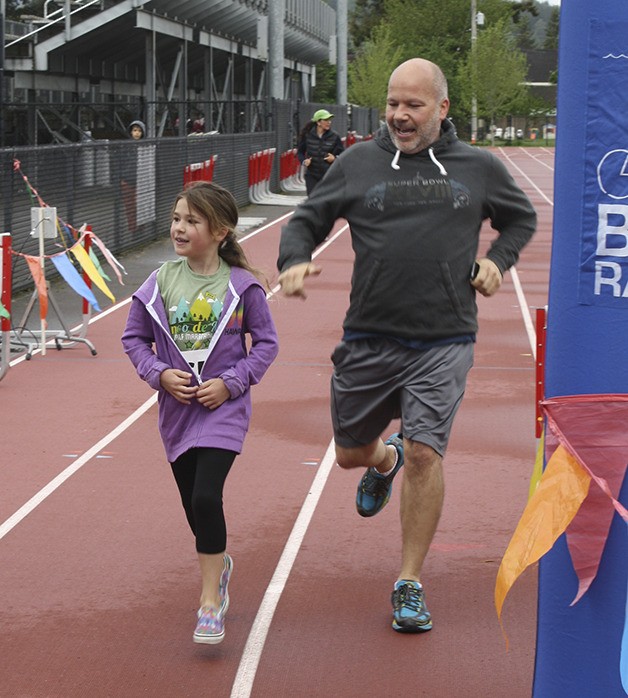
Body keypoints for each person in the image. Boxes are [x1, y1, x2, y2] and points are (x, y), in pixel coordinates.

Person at [277, 58, 536, 633]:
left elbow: (518, 221)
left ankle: (409, 581)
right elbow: (305, 221)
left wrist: (496, 261)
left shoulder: (478, 168)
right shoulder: (358, 163)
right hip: (369, 335)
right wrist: (294, 260)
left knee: (427, 451)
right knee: (349, 453)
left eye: (412, 105)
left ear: (442, 108)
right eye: (393, 103)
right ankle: (382, 458)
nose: (398, 114)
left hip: (444, 337)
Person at [122, 181, 279, 645]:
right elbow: (134, 339)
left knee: (208, 497)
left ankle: (210, 602)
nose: (179, 227)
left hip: (223, 409)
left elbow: (265, 344)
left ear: (221, 231)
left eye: (192, 220)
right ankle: (220, 562)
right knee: (195, 504)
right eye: (176, 218)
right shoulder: (160, 282)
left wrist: (231, 383)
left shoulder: (241, 286)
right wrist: (158, 374)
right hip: (177, 412)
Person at [297, 109, 344, 195]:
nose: (329, 122)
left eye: (330, 120)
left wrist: (334, 158)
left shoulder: (335, 136)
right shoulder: (307, 135)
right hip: (312, 175)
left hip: (329, 175)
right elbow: (300, 152)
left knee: (326, 202)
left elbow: (343, 154)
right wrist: (304, 161)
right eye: (326, 120)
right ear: (318, 122)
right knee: (312, 201)